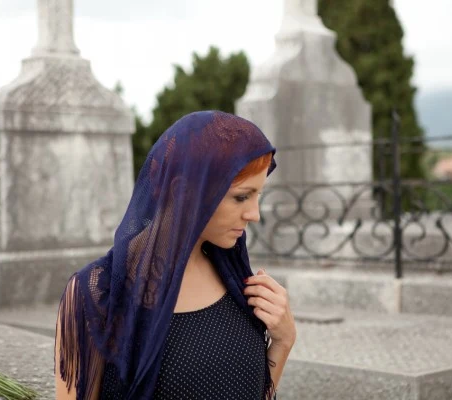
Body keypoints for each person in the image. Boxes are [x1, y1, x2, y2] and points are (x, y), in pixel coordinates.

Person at [54, 110, 296, 399]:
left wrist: (283, 342)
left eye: (258, 195)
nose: (254, 214)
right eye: (241, 196)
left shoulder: (235, 278)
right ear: (183, 191)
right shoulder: (96, 294)